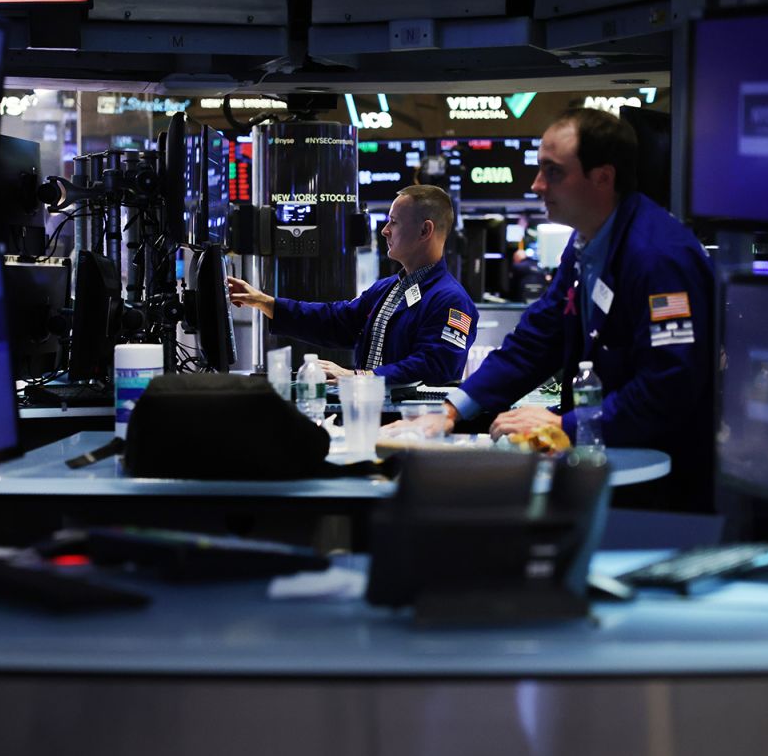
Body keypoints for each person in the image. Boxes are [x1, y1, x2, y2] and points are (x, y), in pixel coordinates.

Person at [440, 108, 716, 511]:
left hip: (661, 482)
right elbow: (539, 337)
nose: (536, 185)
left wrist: (561, 424)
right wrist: (453, 409)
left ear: (603, 177)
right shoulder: (585, 243)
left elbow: (669, 385)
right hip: (605, 465)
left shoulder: (659, 256)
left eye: (553, 172)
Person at [228, 184, 479, 386]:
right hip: (374, 414)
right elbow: (337, 321)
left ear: (425, 230)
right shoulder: (388, 288)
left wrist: (360, 378)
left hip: (412, 424)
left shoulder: (451, 300)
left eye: (394, 222)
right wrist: (263, 301)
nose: (385, 231)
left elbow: (435, 366)